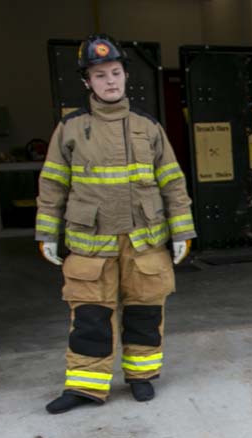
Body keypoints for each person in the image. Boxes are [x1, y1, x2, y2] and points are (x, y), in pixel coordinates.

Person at [36, 34, 196, 414]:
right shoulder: (70, 128)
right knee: (90, 316)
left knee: (145, 312)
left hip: (144, 241)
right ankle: (85, 387)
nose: (110, 81)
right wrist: (47, 233)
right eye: (100, 75)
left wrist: (182, 230)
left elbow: (172, 182)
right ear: (87, 82)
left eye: (115, 73)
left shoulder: (148, 127)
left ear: (125, 75)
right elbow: (52, 184)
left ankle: (141, 376)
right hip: (92, 243)